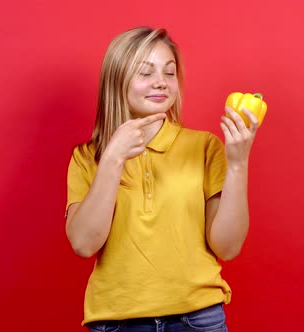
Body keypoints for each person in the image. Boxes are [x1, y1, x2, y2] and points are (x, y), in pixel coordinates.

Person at [65, 26, 260, 332]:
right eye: (146, 72)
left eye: (169, 73)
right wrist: (113, 159)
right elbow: (84, 243)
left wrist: (238, 163)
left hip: (198, 319)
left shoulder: (205, 147)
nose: (161, 83)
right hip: (116, 323)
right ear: (116, 80)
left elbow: (228, 247)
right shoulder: (88, 158)